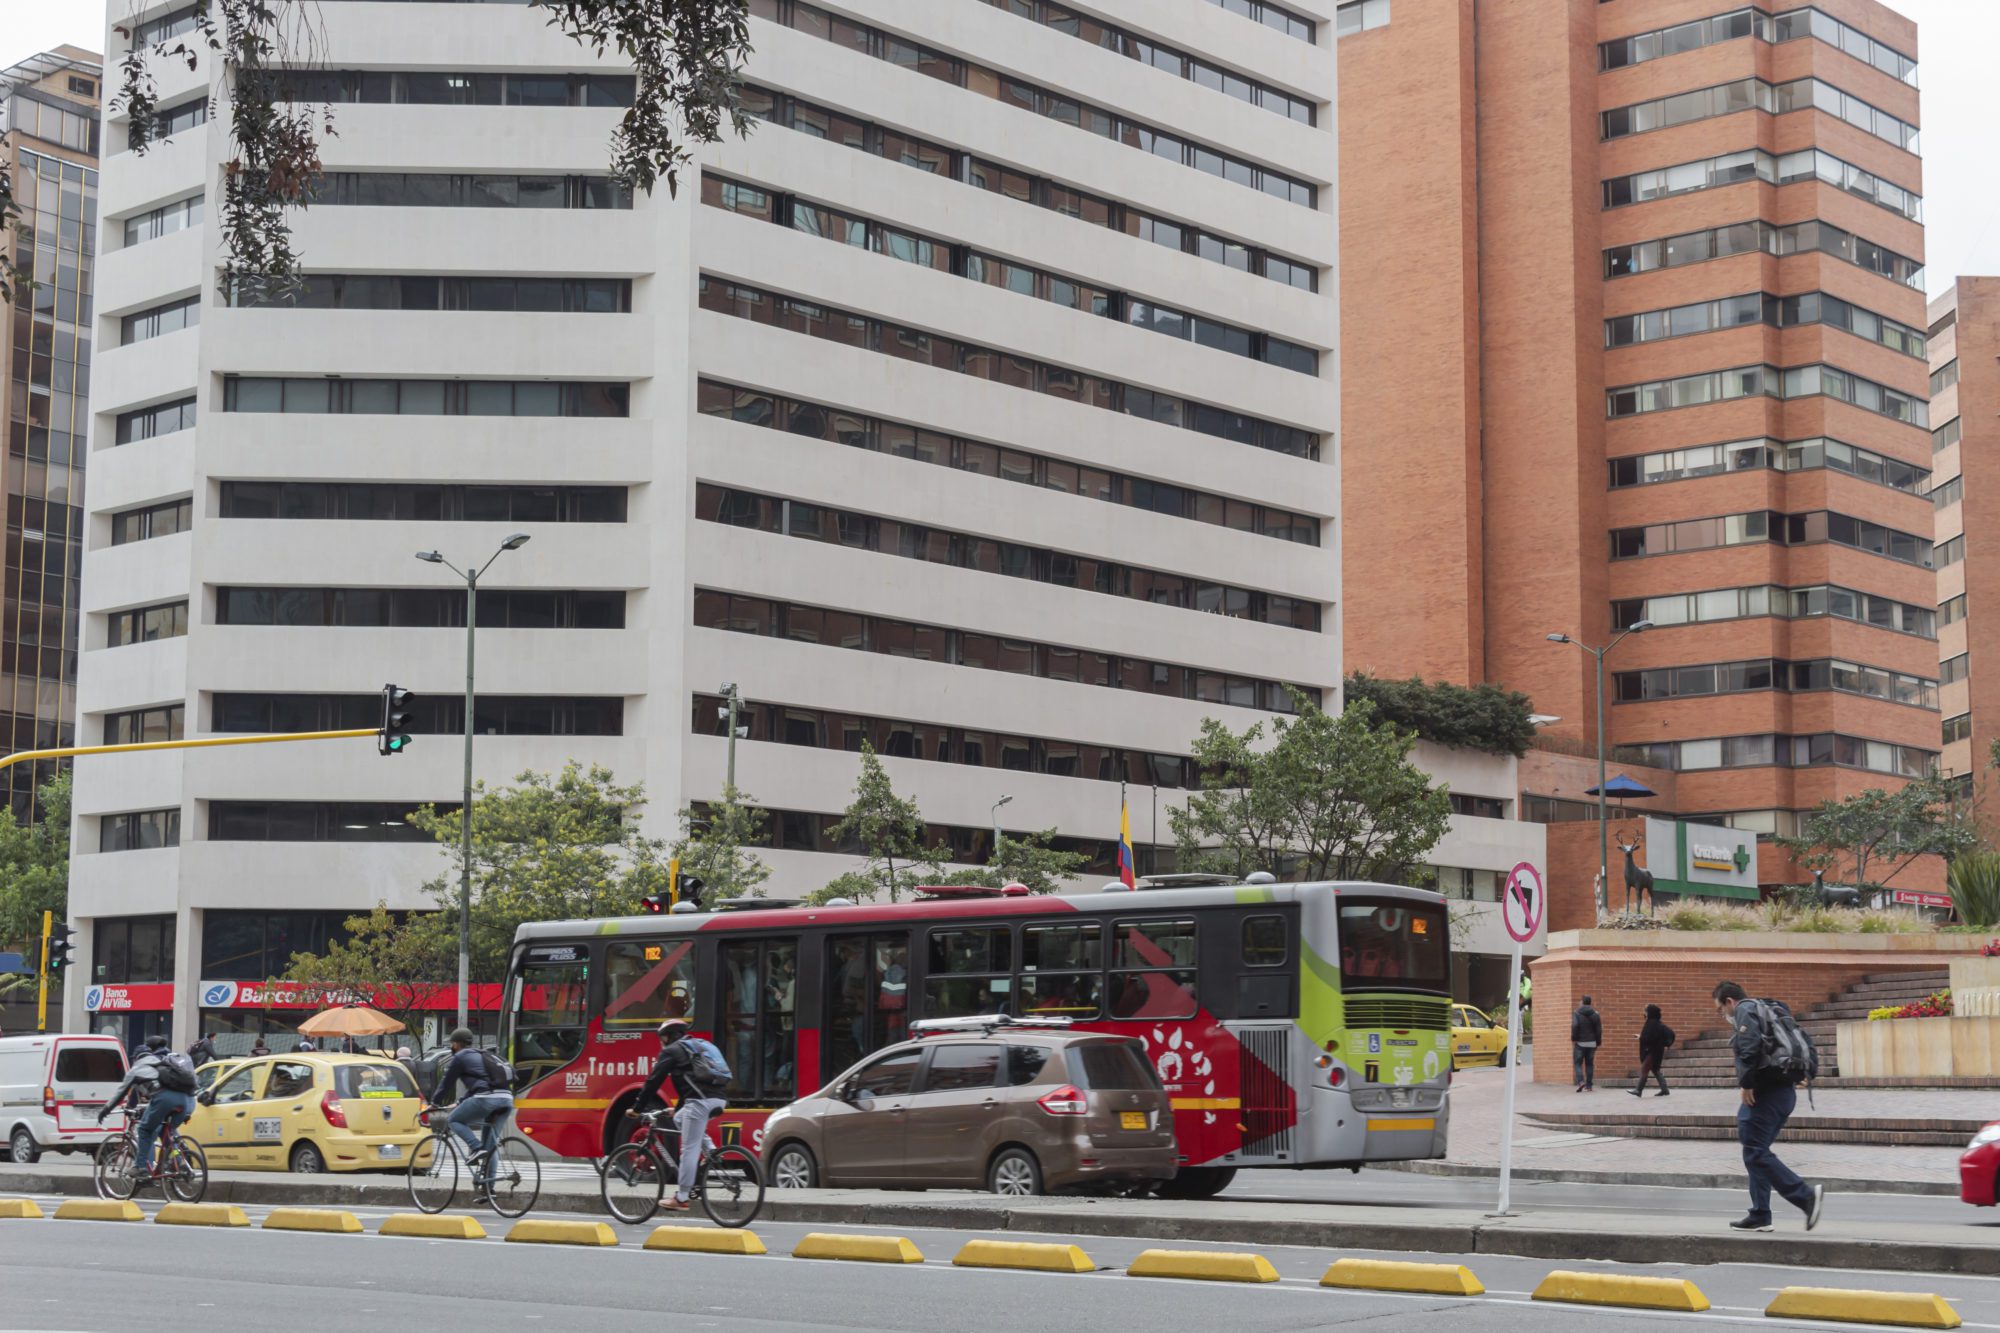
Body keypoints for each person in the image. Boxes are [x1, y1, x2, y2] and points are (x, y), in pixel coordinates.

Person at [1714, 981, 1824, 1233]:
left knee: (1753, 1149)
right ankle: (1760, 1214)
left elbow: (1749, 1047)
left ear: (1730, 1001)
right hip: (1783, 1093)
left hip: (1765, 1093)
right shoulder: (1773, 1009)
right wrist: (1805, 1072)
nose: (1723, 1015)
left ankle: (1805, 1196)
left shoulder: (1744, 1010)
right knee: (1756, 1151)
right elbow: (1804, 1039)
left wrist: (1747, 1083)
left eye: (1721, 1009)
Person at [634, 1017, 729, 1214]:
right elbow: (690, 1084)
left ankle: (682, 1197)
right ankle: (711, 1151)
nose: (661, 1043)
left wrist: (637, 1108)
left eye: (662, 1038)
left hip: (699, 1102)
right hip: (718, 1099)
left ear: (668, 1037)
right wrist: (677, 1109)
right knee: (679, 1119)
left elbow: (653, 1081)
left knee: (689, 1148)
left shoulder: (672, 1051)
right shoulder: (697, 1046)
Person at [97, 1034, 197, 1182]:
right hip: (184, 1100)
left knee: (145, 1129)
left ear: (136, 1058)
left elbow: (120, 1093)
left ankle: (141, 1168)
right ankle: (180, 1163)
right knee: (166, 1132)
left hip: (164, 1099)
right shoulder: (162, 1062)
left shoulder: (135, 1070)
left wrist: (105, 1111)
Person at [430, 1027, 513, 1193]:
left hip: (486, 1099)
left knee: (454, 1120)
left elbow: (446, 1082)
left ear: (456, 1043)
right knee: (490, 1147)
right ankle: (488, 1189)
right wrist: (461, 1100)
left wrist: (434, 1103)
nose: (451, 1047)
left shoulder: (460, 1057)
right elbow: (480, 1083)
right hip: (507, 1099)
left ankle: (475, 1148)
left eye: (452, 1044)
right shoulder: (481, 1054)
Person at [1630, 1004, 1672, 1098]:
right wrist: (1666, 1043)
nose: (1644, 1013)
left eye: (1646, 1011)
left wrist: (1641, 1037)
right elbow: (1668, 1034)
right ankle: (1665, 1090)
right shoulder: (1657, 1023)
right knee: (1655, 1070)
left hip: (1653, 1051)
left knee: (1644, 1069)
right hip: (1656, 1050)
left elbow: (1650, 1038)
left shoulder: (1652, 1024)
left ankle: (1638, 1090)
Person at [1571, 994, 1602, 1092]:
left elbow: (1575, 1026)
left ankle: (1580, 1082)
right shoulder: (1596, 1014)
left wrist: (1574, 1038)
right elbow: (1599, 1030)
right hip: (1592, 1043)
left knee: (1577, 1063)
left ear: (1582, 1002)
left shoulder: (1577, 1013)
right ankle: (1589, 1085)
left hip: (1580, 1042)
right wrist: (1598, 1042)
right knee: (1589, 1064)